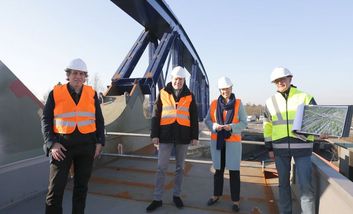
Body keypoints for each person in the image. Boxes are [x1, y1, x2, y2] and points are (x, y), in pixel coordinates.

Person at [41, 58, 105, 214]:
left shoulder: (92, 93)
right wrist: (51, 143)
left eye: (82, 74)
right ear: (68, 75)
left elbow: (99, 120)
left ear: (85, 77)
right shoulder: (56, 93)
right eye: (75, 73)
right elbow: (46, 119)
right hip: (62, 147)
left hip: (86, 147)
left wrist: (99, 142)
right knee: (55, 191)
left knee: (81, 189)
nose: (78, 77)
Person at [263, 66, 317, 214]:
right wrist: (269, 148)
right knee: (283, 185)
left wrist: (319, 133)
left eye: (282, 79)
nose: (280, 82)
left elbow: (316, 121)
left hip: (302, 149)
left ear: (290, 79)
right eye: (276, 81)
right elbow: (267, 126)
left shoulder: (305, 97)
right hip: (280, 150)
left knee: (306, 188)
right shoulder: (270, 101)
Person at [146, 66, 199, 212]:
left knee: (180, 168)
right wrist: (154, 135)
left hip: (183, 136)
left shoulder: (190, 95)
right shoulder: (162, 93)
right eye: (176, 79)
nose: (178, 82)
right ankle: (157, 199)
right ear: (172, 79)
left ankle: (176, 196)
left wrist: (195, 136)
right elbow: (156, 115)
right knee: (161, 168)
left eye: (181, 79)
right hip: (165, 135)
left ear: (184, 80)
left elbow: (194, 117)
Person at [204, 76, 248, 212]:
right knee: (218, 171)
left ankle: (236, 201)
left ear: (231, 88)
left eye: (227, 88)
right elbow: (207, 120)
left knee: (234, 172)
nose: (225, 91)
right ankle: (216, 195)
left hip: (233, 144)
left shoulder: (238, 104)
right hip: (218, 142)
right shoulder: (213, 104)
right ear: (220, 90)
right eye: (223, 89)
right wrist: (214, 126)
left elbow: (244, 123)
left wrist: (232, 127)